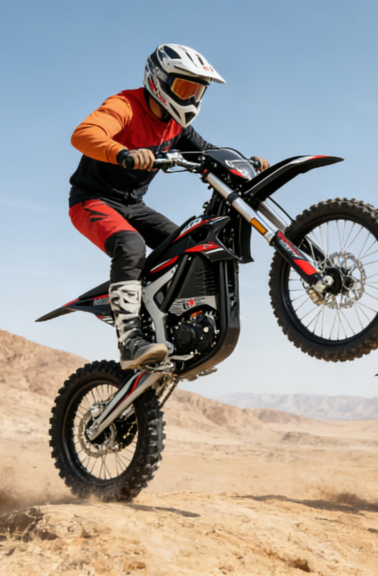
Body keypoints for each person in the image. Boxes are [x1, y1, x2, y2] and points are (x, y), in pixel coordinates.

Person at [68, 44, 269, 370]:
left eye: (197, 91)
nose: (191, 98)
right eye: (185, 88)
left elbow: (209, 153)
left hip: (133, 204)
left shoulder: (176, 126)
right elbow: (83, 134)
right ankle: (130, 341)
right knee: (130, 245)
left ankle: (173, 330)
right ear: (158, 81)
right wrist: (122, 153)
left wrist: (246, 164)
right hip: (92, 201)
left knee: (189, 246)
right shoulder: (125, 105)